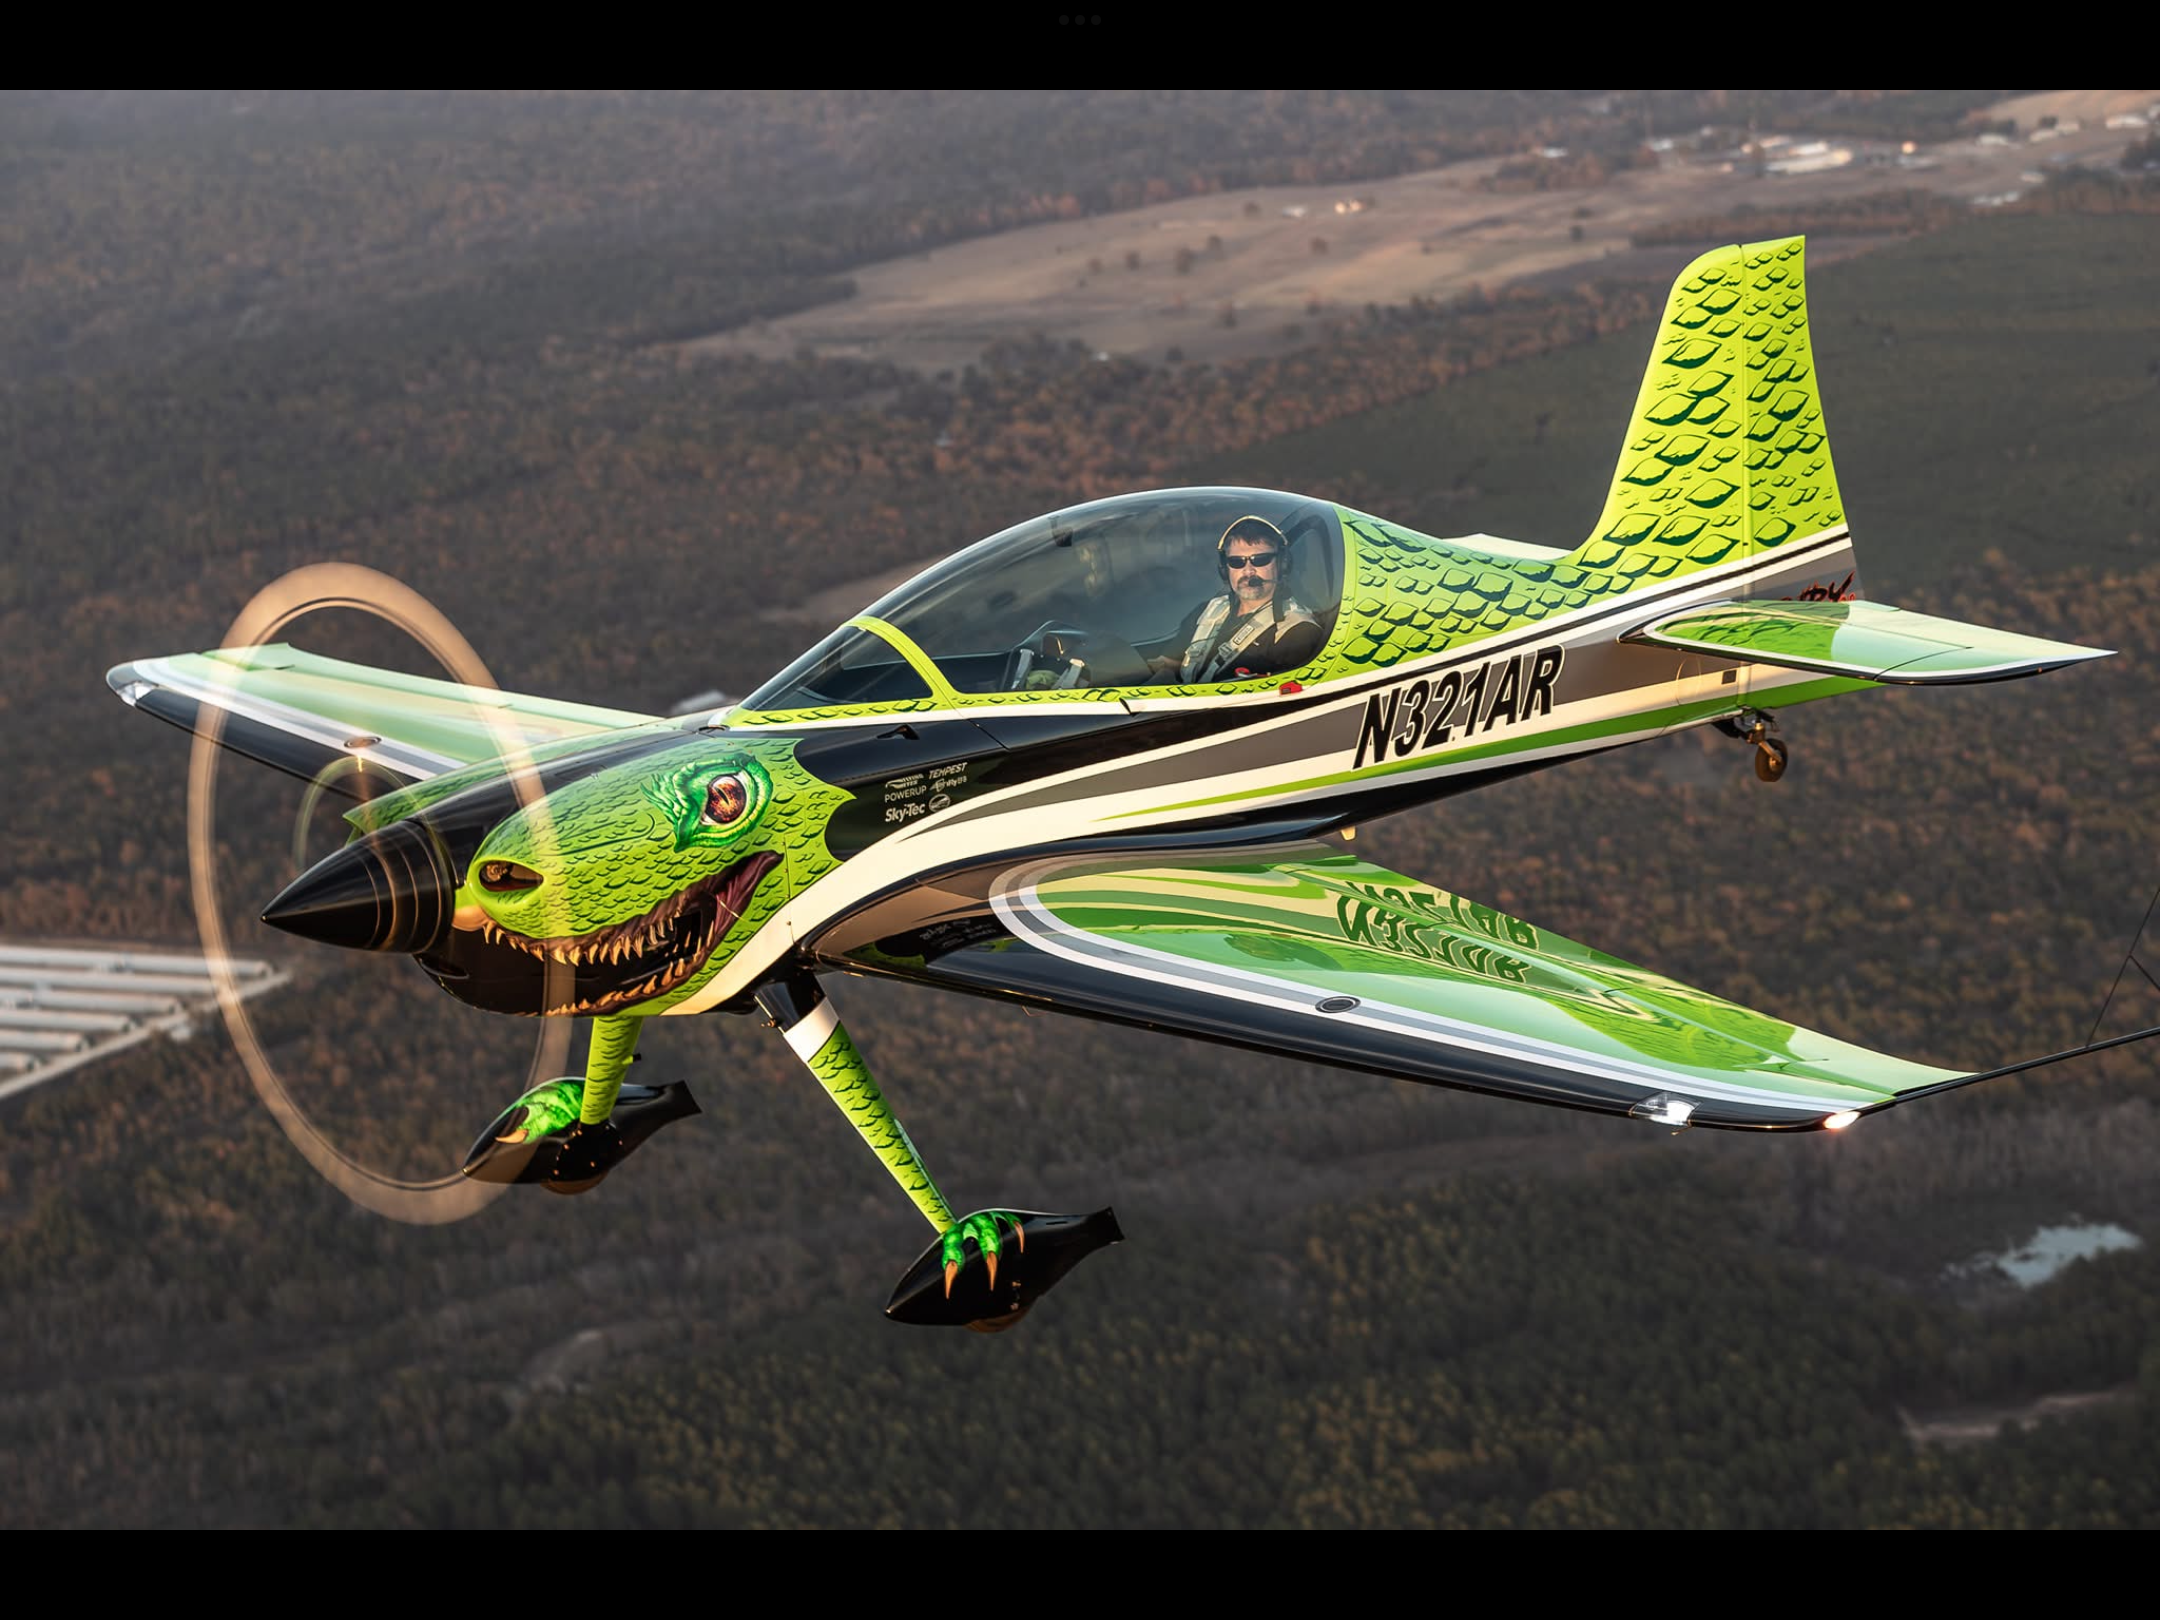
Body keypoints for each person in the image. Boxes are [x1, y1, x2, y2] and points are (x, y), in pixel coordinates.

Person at [1149, 516, 1322, 684]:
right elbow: (1167, 665)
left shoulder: (1298, 630)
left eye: (1260, 560)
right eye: (1237, 562)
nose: (1248, 571)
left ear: (1282, 564)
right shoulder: (1209, 611)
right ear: (1225, 570)